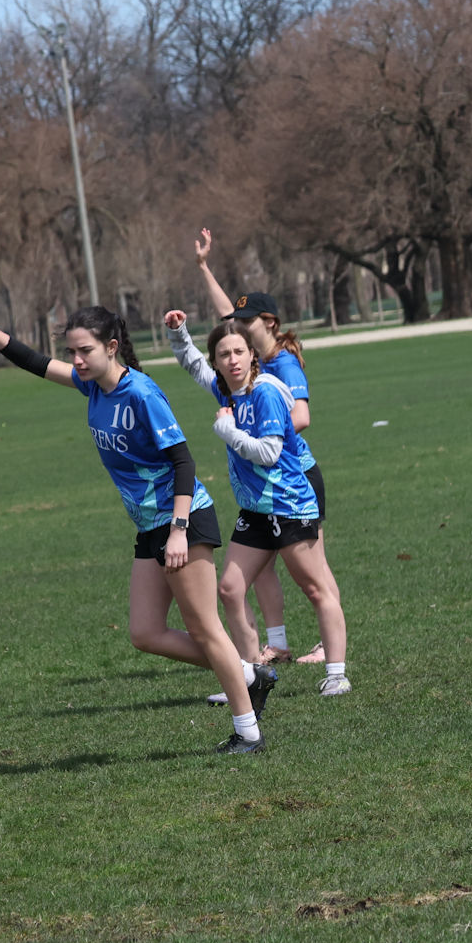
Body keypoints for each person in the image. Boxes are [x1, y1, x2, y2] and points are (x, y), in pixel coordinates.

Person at [0, 282, 275, 752]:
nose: (76, 360)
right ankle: (248, 672)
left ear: (111, 347)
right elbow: (32, 361)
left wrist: (178, 531)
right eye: (72, 352)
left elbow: (183, 462)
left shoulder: (142, 394)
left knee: (206, 629)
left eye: (85, 351)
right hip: (150, 526)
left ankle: (248, 732)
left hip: (183, 520)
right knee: (145, 633)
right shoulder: (91, 386)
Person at [171, 313, 351, 697]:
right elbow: (193, 364)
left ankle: (337, 674)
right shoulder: (226, 390)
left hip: (289, 505)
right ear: (217, 361)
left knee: (316, 588)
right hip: (255, 512)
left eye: (239, 351)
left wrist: (228, 431)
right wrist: (178, 333)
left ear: (252, 354)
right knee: (230, 589)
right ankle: (252, 677)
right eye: (224, 354)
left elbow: (269, 454)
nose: (232, 360)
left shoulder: (265, 392)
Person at [192, 229, 335, 672]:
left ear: (268, 323)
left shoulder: (280, 365)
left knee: (314, 572)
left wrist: (250, 430)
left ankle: (331, 648)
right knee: (257, 571)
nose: (237, 329)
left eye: (247, 322)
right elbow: (225, 319)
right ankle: (275, 645)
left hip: (295, 475)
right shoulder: (244, 363)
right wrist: (203, 268)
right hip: (263, 479)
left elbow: (301, 417)